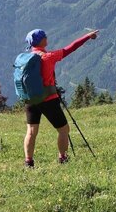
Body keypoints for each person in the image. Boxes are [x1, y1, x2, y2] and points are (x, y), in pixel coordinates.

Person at [23, 28, 99, 168]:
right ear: (42, 41)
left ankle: (29, 162)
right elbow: (70, 48)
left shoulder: (25, 59)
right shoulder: (49, 56)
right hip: (48, 99)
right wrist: (87, 36)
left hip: (30, 99)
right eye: (45, 36)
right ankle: (62, 158)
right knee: (64, 130)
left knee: (31, 131)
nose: (47, 37)